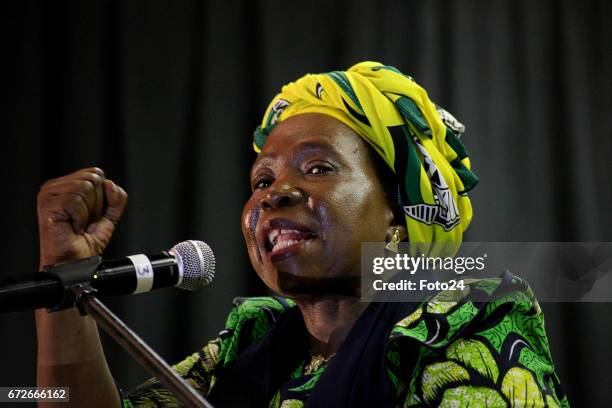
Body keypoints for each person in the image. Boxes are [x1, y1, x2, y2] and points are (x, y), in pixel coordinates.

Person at [36, 62, 568, 407]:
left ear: (397, 215)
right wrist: (63, 273)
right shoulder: (250, 343)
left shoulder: (464, 318)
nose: (273, 193)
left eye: (317, 168)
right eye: (261, 180)